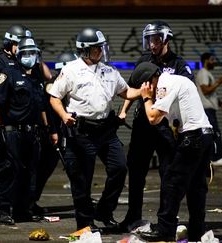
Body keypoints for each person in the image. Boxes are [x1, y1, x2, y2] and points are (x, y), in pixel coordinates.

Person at [48, 27, 141, 231]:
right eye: (97, 48)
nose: (101, 51)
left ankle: (104, 211)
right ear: (85, 50)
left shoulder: (109, 71)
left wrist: (143, 91)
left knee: (119, 168)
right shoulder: (71, 70)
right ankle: (85, 224)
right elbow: (54, 97)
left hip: (106, 130)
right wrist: (64, 116)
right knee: (82, 180)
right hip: (81, 132)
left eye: (102, 47)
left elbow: (126, 92)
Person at [119, 20, 194, 231]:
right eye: (150, 40)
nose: (152, 44)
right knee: (135, 171)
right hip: (143, 124)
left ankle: (165, 220)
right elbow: (133, 86)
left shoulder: (179, 65)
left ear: (166, 39)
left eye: (156, 39)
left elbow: (187, 92)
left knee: (167, 174)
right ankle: (132, 217)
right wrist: (123, 110)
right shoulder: (144, 60)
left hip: (165, 126)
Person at [129, 62, 213, 242]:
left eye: (144, 87)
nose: (145, 90)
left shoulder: (164, 85)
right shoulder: (176, 80)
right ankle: (196, 231)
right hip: (205, 135)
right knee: (196, 187)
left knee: (172, 183)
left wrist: (145, 98)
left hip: (193, 137)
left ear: (149, 82)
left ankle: (165, 229)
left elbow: (152, 117)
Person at [0, 37, 48, 224]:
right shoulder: (8, 74)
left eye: (33, 53)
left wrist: (47, 129)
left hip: (32, 133)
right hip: (12, 132)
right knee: (9, 172)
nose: (30, 57)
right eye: (26, 53)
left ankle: (22, 210)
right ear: (19, 54)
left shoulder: (36, 78)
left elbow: (41, 106)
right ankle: (3, 211)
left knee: (28, 173)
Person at [32, 51, 78, 216]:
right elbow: (48, 112)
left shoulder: (67, 82)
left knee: (53, 167)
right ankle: (30, 201)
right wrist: (52, 131)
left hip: (61, 132)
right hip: (51, 134)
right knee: (44, 168)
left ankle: (32, 200)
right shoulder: (53, 85)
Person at [196, 52, 222, 166]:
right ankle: (216, 158)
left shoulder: (208, 74)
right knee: (215, 133)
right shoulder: (203, 73)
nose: (214, 61)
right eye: (212, 59)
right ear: (206, 60)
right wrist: (218, 82)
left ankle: (211, 157)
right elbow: (206, 91)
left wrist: (220, 104)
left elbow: (211, 93)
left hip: (210, 108)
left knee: (212, 133)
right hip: (206, 109)